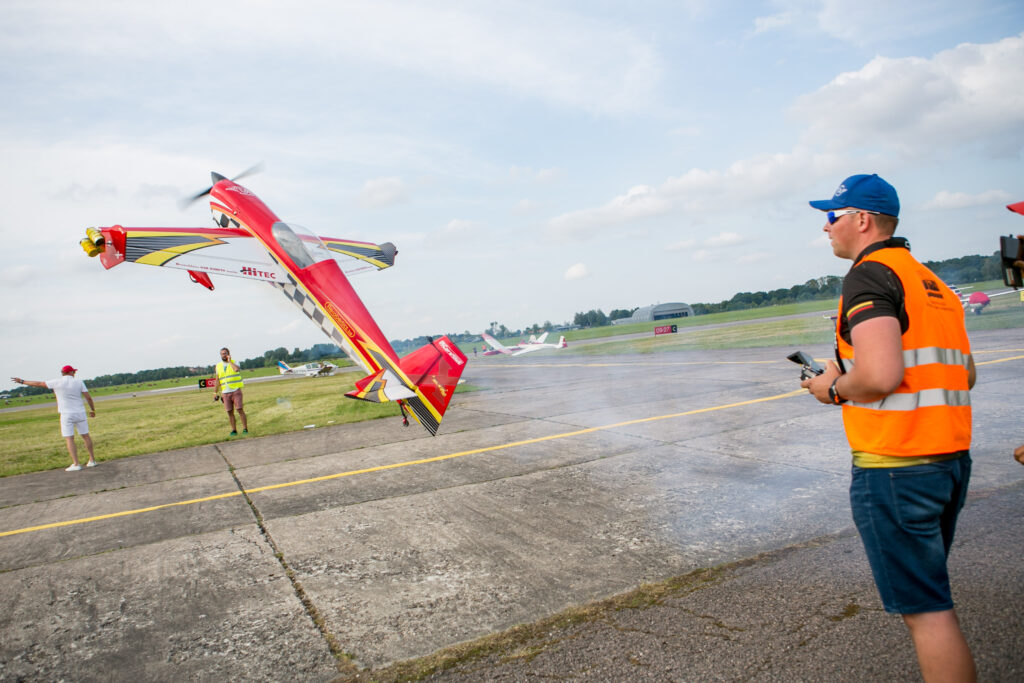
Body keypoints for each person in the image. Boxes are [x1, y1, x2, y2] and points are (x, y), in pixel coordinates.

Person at [801, 174, 977, 683]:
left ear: (862, 220)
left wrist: (832, 388)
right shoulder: (930, 281)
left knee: (928, 612)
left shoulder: (870, 275)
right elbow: (962, 372)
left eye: (831, 217)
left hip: (897, 466)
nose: (826, 229)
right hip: (949, 461)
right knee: (932, 599)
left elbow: (880, 375)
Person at [11, 365, 97, 471]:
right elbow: (88, 397)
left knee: (69, 438)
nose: (74, 374)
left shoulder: (57, 382)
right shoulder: (79, 382)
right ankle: (92, 460)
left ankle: (76, 463)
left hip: (66, 414)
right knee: (86, 436)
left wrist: (22, 381)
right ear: (70, 372)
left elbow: (38, 384)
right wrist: (92, 409)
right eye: (73, 372)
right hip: (80, 412)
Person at [214, 347, 247, 436]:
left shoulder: (235, 362)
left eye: (225, 353)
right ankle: (234, 430)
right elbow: (217, 380)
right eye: (222, 354)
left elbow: (236, 369)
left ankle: (245, 429)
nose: (223, 355)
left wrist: (230, 361)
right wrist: (215, 392)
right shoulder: (218, 366)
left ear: (228, 354)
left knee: (239, 409)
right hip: (225, 392)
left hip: (235, 390)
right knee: (229, 412)